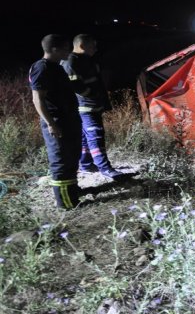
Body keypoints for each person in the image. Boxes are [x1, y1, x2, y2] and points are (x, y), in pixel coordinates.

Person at [29, 34, 82, 209]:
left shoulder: (56, 67)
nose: (69, 51)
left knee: (71, 156)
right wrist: (51, 123)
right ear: (54, 49)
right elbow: (38, 99)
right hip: (57, 122)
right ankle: (66, 204)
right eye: (66, 47)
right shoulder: (41, 68)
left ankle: (72, 192)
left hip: (69, 120)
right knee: (61, 160)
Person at [61, 34, 124, 180]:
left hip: (93, 105)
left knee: (85, 137)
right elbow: (74, 84)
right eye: (92, 46)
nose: (95, 49)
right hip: (85, 107)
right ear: (82, 46)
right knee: (96, 135)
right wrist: (90, 93)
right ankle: (105, 168)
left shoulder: (85, 60)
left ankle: (86, 164)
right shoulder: (71, 61)